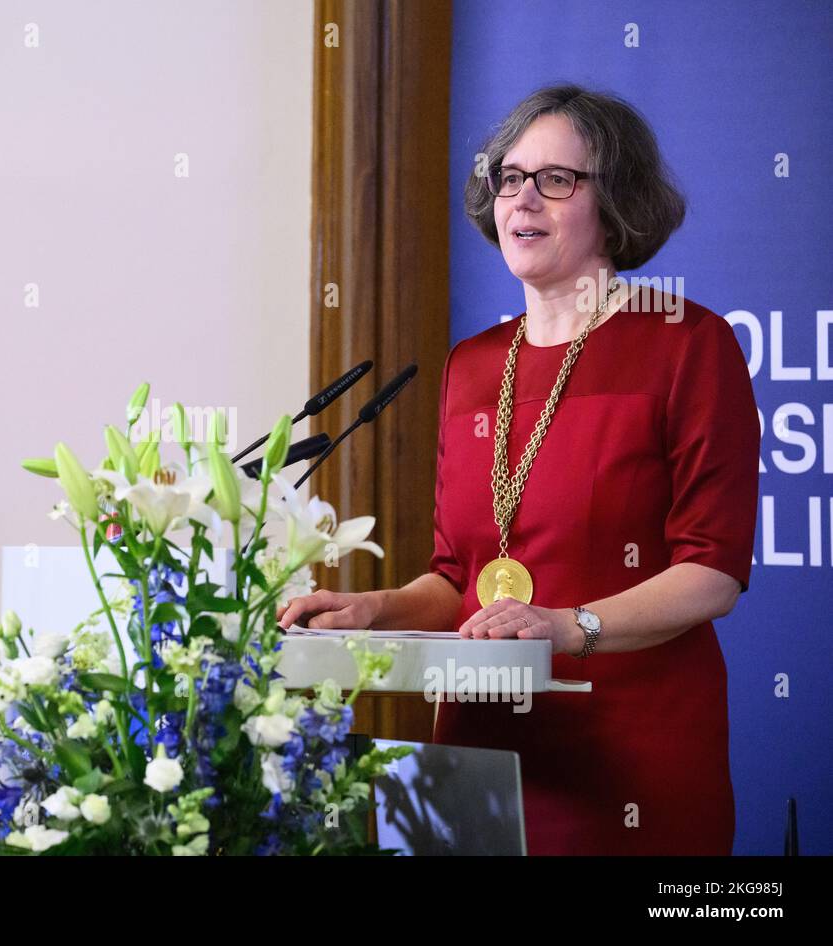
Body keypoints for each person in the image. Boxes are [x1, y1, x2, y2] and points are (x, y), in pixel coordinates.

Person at [277, 84, 759, 855]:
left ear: (617, 201)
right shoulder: (471, 366)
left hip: (631, 764)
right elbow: (458, 577)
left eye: (556, 179)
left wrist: (563, 628)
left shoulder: (688, 346)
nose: (522, 198)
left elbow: (712, 573)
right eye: (508, 178)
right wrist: (377, 610)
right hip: (478, 750)